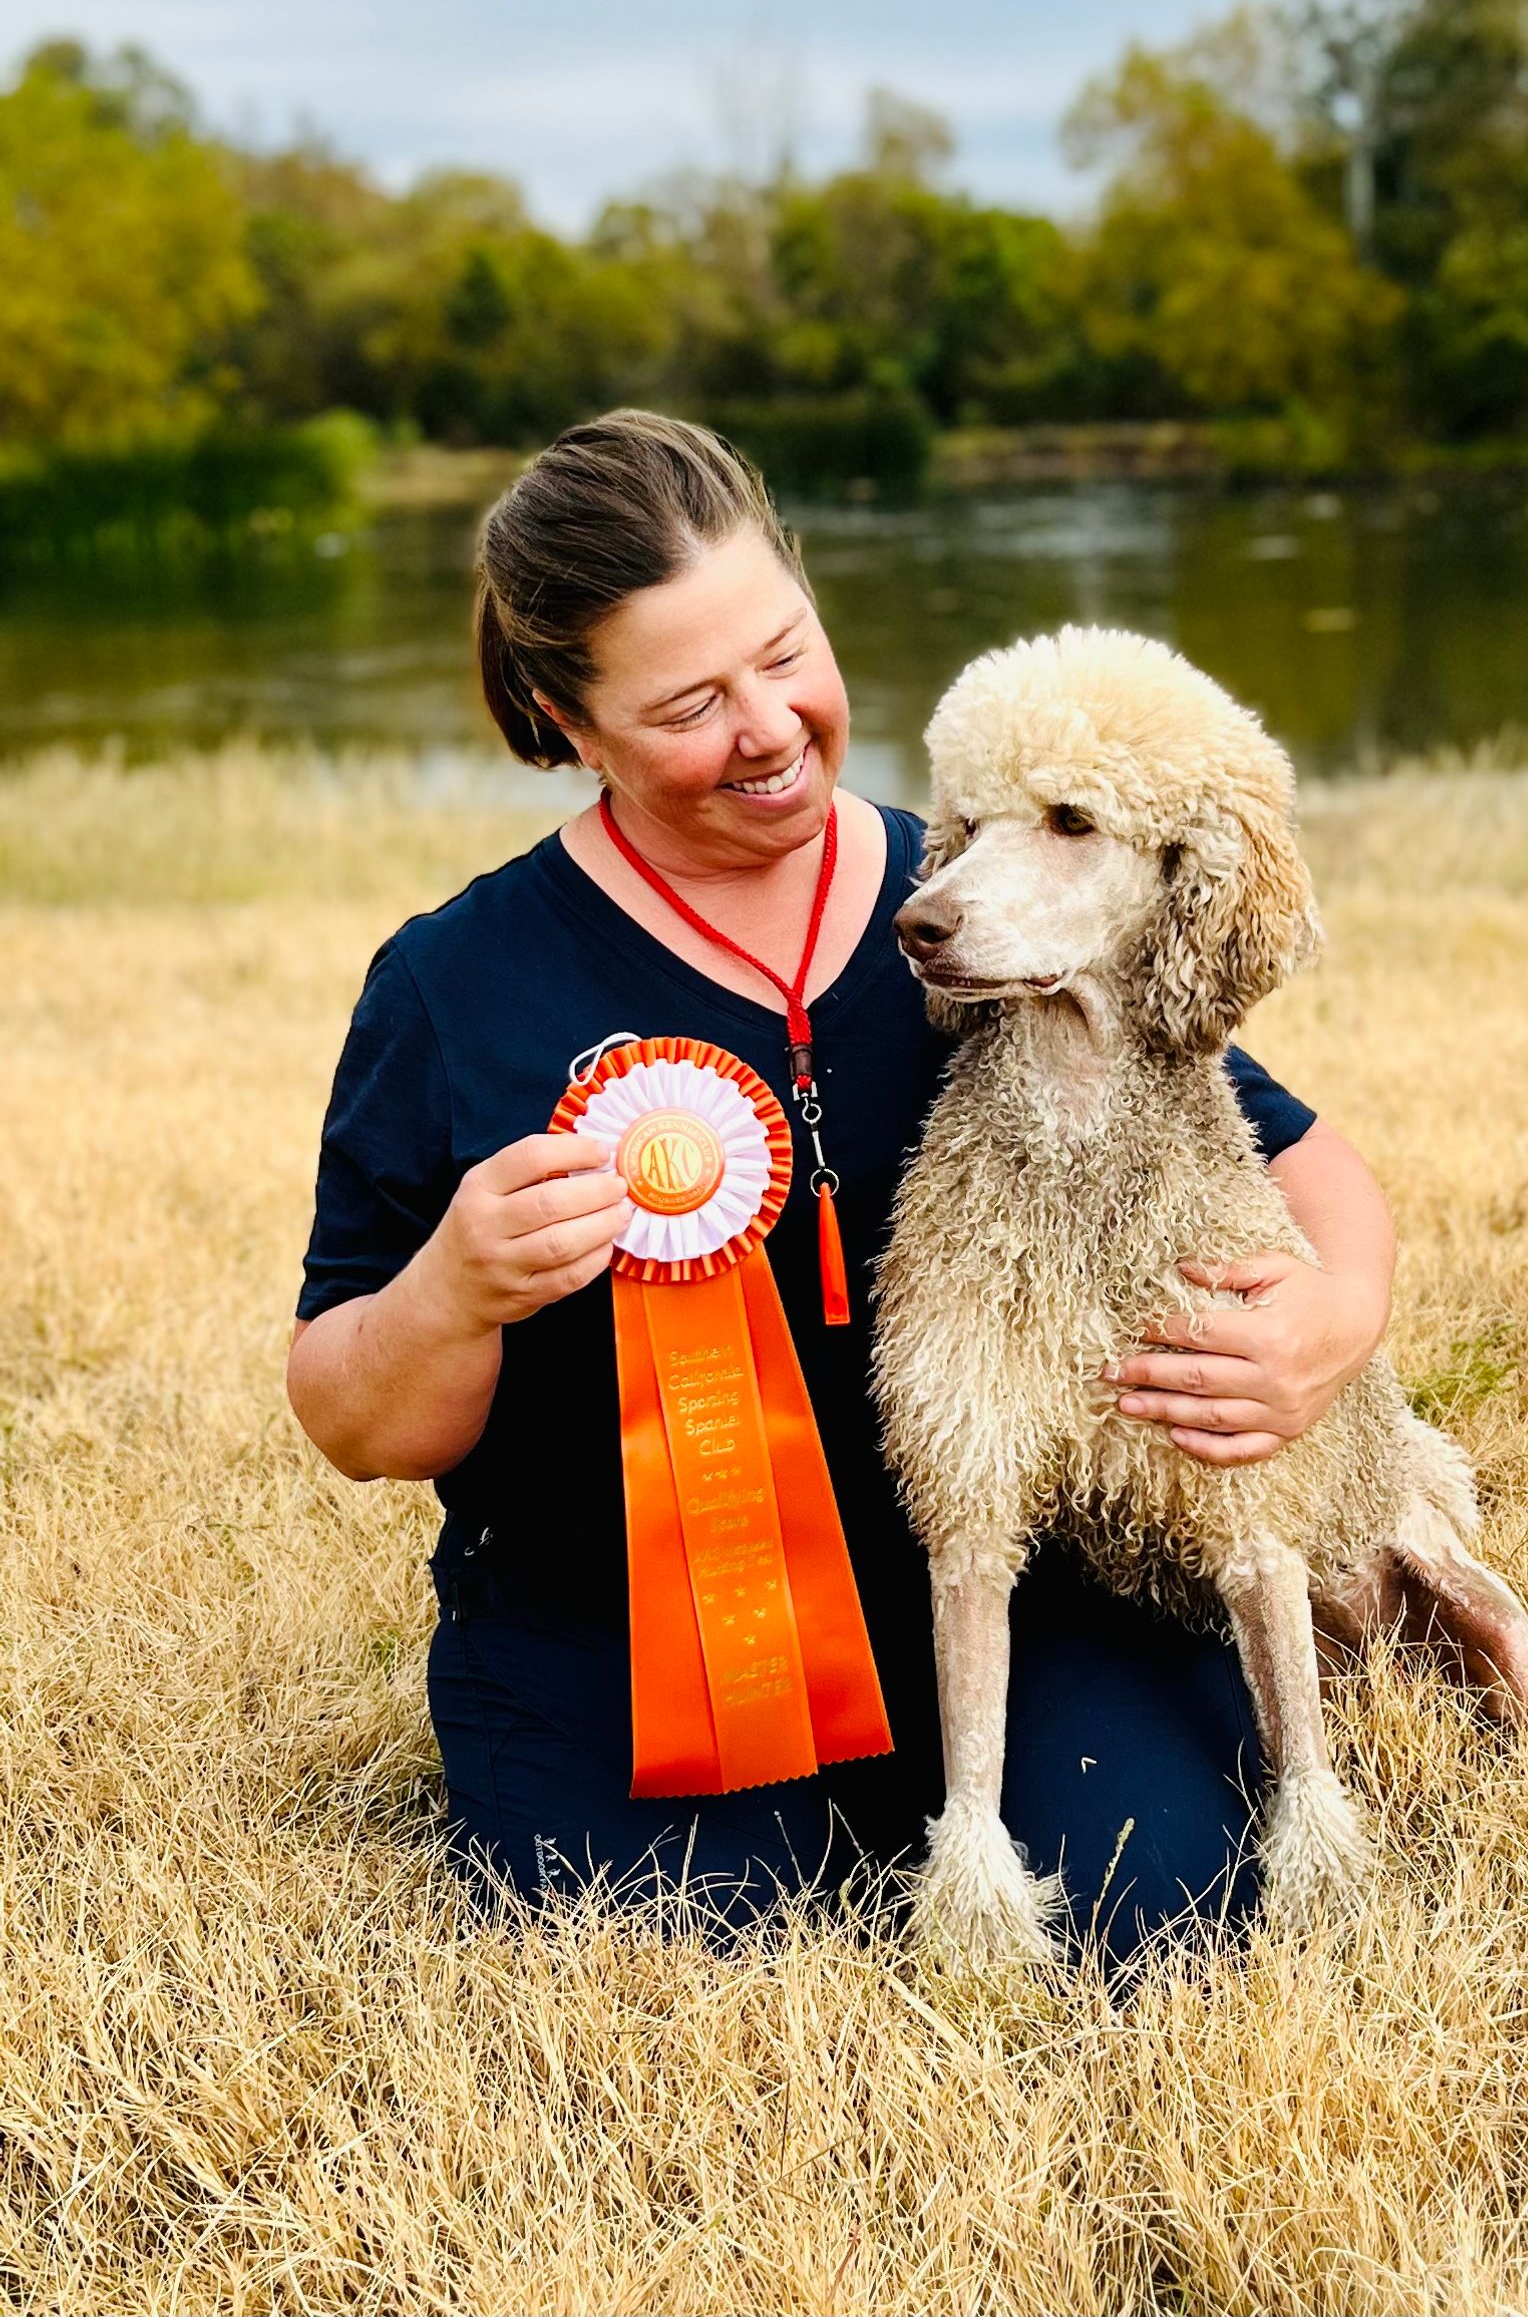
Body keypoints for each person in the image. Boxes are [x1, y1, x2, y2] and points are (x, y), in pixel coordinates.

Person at [287, 410, 1396, 1965]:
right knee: (667, 1953)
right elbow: (351, 1415)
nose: (769, 727)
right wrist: (453, 1288)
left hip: (1011, 1576)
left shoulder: (977, 896)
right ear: (567, 717)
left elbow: (1301, 1155)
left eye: (784, 652)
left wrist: (1330, 1320)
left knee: (1163, 1913)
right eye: (688, 704)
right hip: (635, 1632)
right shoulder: (457, 988)